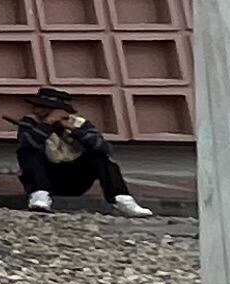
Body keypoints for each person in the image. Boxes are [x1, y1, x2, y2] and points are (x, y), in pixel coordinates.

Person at [13, 87, 151, 216]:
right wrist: (47, 124)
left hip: (76, 179)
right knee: (27, 152)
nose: (35, 110)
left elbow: (103, 148)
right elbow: (27, 144)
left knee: (99, 156)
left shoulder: (80, 123)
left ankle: (121, 199)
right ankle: (40, 196)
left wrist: (74, 131)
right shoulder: (30, 122)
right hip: (46, 177)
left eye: (41, 106)